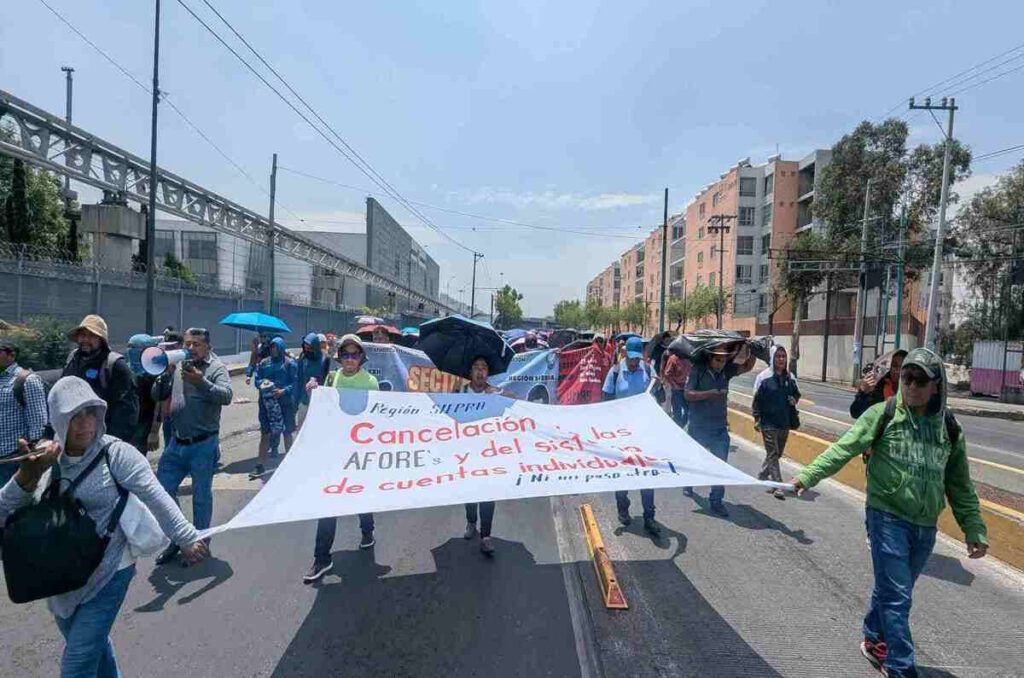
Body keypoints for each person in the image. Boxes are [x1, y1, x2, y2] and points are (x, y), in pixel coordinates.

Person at [790, 348, 987, 678]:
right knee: (898, 597)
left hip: (924, 526)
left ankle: (872, 636)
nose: (909, 386)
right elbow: (844, 448)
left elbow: (960, 485)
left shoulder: (949, 428)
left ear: (936, 385)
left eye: (919, 380)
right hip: (886, 517)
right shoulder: (882, 415)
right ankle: (901, 667)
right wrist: (808, 476)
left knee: (894, 590)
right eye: (905, 378)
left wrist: (974, 529)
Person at [0, 376, 207, 677]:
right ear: (59, 419)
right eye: (74, 416)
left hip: (110, 570)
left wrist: (186, 537)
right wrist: (26, 476)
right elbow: (6, 509)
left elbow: (155, 494)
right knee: (91, 649)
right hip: (61, 576)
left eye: (90, 413)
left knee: (77, 664)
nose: (85, 424)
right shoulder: (47, 457)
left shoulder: (116, 453)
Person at [152, 327, 233, 565]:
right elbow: (157, 394)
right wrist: (165, 375)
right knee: (162, 493)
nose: (190, 348)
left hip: (203, 444)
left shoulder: (216, 368)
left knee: (201, 498)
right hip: (177, 443)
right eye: (187, 343)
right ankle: (178, 537)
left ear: (207, 346)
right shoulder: (176, 365)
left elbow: (226, 396)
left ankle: (200, 543)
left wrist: (202, 382)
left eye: (196, 344)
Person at [302, 334, 378, 583]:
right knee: (328, 504)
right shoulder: (331, 379)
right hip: (334, 452)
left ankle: (368, 532)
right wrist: (314, 391)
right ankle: (322, 557)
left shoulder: (370, 381)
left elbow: (377, 417)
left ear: (361, 358)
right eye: (345, 354)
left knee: (360, 499)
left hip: (359, 453)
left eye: (354, 354)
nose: (349, 359)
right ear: (339, 358)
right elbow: (322, 410)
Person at [684, 342, 756, 517]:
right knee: (694, 461)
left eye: (724, 360)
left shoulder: (726, 371)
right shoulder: (697, 371)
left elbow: (746, 366)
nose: (721, 363)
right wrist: (711, 393)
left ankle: (716, 500)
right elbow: (688, 394)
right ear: (710, 358)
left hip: (719, 429)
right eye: (718, 360)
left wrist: (754, 351)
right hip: (698, 427)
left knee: (720, 465)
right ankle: (688, 482)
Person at [603, 336, 661, 535]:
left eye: (638, 358)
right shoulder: (615, 371)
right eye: (632, 358)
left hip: (643, 432)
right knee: (623, 474)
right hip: (621, 434)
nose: (635, 362)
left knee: (647, 475)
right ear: (625, 353)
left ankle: (649, 517)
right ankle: (623, 507)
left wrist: (658, 388)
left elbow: (657, 398)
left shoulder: (647, 370)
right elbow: (606, 401)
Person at [456, 355, 513, 555]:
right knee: (470, 492)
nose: (480, 371)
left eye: (484, 368)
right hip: (466, 452)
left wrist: (498, 394)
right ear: (470, 372)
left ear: (488, 373)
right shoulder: (459, 392)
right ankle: (471, 522)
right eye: (476, 367)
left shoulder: (494, 393)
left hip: (489, 452)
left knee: (488, 493)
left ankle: (486, 536)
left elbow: (514, 409)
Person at [62, 314, 139, 444]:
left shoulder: (115, 365)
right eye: (83, 335)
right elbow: (61, 395)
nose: (86, 340)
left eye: (92, 336)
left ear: (101, 340)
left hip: (102, 439)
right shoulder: (73, 360)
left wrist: (112, 444)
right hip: (74, 436)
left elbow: (126, 413)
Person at [752, 345, 800, 499]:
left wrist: (794, 400)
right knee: (772, 453)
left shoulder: (790, 377)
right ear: (772, 358)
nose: (781, 359)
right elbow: (756, 400)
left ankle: (763, 473)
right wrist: (757, 419)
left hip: (784, 421)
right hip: (768, 422)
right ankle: (777, 485)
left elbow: (797, 394)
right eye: (778, 356)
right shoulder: (763, 377)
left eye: (783, 356)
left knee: (777, 453)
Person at [0, 337, 48, 489]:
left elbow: (38, 423)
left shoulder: (27, 380)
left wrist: (31, 460)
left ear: (11, 355)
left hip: (13, 460)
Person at [250, 336, 297, 479]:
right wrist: (262, 383)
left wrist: (284, 391)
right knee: (265, 434)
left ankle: (291, 462)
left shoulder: (290, 364)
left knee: (287, 432)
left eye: (277, 348)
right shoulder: (264, 363)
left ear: (282, 348)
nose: (274, 350)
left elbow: (295, 383)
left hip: (285, 404)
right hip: (267, 404)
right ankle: (260, 465)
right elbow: (257, 379)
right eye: (272, 347)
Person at [851, 349, 907, 419]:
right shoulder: (880, 387)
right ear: (890, 367)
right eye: (895, 366)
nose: (898, 371)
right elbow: (856, 413)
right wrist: (863, 393)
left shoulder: (914, 389)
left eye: (903, 367)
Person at [295, 332, 331, 432]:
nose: (307, 350)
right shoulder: (303, 357)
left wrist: (317, 381)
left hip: (319, 402)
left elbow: (329, 379)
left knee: (317, 431)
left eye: (310, 348)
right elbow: (299, 378)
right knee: (301, 431)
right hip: (304, 401)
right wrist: (295, 402)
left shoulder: (325, 358)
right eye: (305, 347)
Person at [661, 350, 691, 428]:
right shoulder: (673, 359)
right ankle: (677, 428)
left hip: (686, 389)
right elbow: (667, 373)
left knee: (689, 411)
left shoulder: (688, 359)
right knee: (677, 412)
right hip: (677, 389)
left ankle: (683, 426)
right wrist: (674, 385)